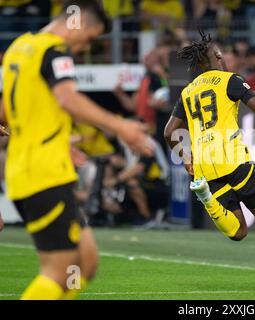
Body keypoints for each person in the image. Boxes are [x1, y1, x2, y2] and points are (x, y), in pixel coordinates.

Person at [0, 0, 153, 300]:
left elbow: (6, 109)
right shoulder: (54, 50)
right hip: (41, 173)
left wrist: (56, 139)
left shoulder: (20, 47)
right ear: (79, 22)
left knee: (85, 264)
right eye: (91, 37)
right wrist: (120, 127)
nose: (85, 46)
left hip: (36, 168)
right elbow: (66, 99)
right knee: (58, 272)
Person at [164, 30, 255, 294]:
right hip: (233, 159)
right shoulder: (230, 80)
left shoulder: (187, 91)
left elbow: (169, 132)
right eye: (221, 53)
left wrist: (186, 158)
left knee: (238, 231)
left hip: (204, 165)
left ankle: (206, 198)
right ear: (217, 56)